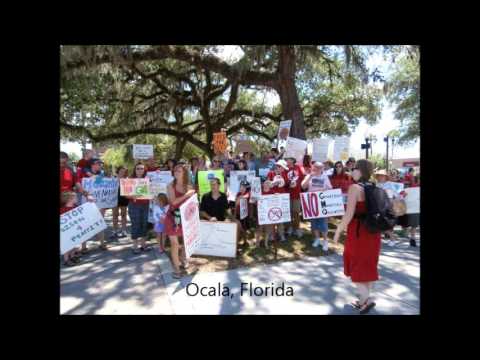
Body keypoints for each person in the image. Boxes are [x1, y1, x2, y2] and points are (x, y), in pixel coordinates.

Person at [333, 159, 380, 314]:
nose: (351, 171)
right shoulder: (374, 187)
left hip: (358, 232)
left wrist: (338, 230)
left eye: (354, 168)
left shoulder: (354, 188)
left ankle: (367, 300)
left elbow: (348, 214)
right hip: (373, 232)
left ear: (360, 171)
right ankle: (362, 301)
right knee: (366, 265)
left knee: (355, 263)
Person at [165, 164, 197, 279]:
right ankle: (177, 269)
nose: (176, 172)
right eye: (175, 171)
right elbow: (173, 202)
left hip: (185, 217)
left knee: (186, 241)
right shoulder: (170, 185)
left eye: (179, 171)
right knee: (174, 244)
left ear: (184, 173)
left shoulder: (188, 185)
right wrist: (186, 195)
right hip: (172, 217)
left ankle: (183, 258)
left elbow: (192, 202)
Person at [301, 162, 332, 252]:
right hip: (311, 202)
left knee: (323, 222)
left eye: (319, 168)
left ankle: (325, 241)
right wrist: (310, 176)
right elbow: (303, 186)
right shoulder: (309, 176)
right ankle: (317, 239)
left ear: (322, 169)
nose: (317, 169)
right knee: (313, 222)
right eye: (316, 167)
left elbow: (330, 188)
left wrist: (322, 190)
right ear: (313, 167)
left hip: (322, 202)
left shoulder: (325, 177)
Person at [78, 158, 108, 252]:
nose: (100, 165)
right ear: (92, 165)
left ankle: (102, 243)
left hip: (99, 203)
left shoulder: (101, 173)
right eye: (98, 164)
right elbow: (78, 184)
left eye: (100, 164)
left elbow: (103, 186)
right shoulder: (82, 172)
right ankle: (83, 247)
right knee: (85, 224)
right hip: (86, 202)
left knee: (100, 222)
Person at [126, 163, 153, 254]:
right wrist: (131, 196)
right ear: (135, 169)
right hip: (134, 205)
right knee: (135, 224)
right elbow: (126, 194)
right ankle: (135, 246)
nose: (140, 170)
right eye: (138, 168)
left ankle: (143, 245)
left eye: (142, 168)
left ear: (144, 170)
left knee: (144, 224)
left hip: (146, 205)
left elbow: (152, 190)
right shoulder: (129, 180)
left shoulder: (148, 179)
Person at [265, 159, 290, 242]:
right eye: (282, 168)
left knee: (280, 216)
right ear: (278, 167)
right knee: (271, 215)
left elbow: (286, 184)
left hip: (281, 198)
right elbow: (267, 185)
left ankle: (281, 234)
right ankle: (271, 235)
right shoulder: (270, 173)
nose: (283, 169)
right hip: (271, 197)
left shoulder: (284, 174)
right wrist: (273, 184)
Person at [374, 169, 397, 247]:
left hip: (387, 205)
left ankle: (392, 239)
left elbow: (395, 194)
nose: (380, 177)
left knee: (386, 223)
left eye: (382, 175)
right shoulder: (377, 184)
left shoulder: (389, 184)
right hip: (379, 205)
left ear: (385, 177)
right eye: (379, 175)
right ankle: (385, 239)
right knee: (380, 223)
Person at [60, 191, 82, 267]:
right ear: (70, 199)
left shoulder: (76, 207)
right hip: (66, 231)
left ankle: (72, 256)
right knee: (67, 245)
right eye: (75, 197)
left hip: (74, 229)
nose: (77, 198)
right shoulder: (62, 209)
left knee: (74, 243)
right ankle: (66, 259)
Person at [285, 156, 305, 238]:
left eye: (289, 159)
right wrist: (289, 184)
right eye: (287, 159)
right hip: (287, 194)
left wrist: (298, 184)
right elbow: (284, 181)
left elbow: (303, 177)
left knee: (296, 212)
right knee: (288, 212)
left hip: (297, 194)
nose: (287, 160)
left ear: (293, 160)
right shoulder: (285, 169)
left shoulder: (299, 167)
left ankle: (296, 228)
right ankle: (289, 228)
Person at [398, 173, 420, 247]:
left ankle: (408, 234)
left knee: (407, 224)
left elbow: (400, 198)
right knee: (414, 225)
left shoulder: (405, 189)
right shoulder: (418, 188)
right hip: (415, 210)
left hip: (407, 210)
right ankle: (412, 237)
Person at [255, 181, 275, 248]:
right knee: (259, 229)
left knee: (268, 229)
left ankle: (266, 243)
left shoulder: (272, 192)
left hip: (269, 214)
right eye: (265, 183)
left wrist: (277, 196)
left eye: (268, 184)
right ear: (263, 184)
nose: (266, 185)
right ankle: (257, 243)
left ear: (270, 185)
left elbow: (275, 201)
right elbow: (254, 201)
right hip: (261, 213)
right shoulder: (259, 192)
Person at [111, 166, 129, 239]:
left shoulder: (127, 179)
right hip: (114, 198)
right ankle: (115, 231)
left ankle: (124, 231)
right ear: (118, 171)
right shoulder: (113, 179)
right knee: (115, 215)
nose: (122, 172)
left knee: (124, 215)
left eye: (124, 171)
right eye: (121, 170)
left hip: (124, 198)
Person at [235, 180, 251, 248]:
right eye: (241, 186)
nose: (242, 188)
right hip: (238, 213)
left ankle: (245, 241)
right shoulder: (238, 193)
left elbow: (247, 196)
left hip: (245, 214)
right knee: (239, 228)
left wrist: (242, 197)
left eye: (244, 187)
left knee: (244, 228)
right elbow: (236, 203)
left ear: (247, 188)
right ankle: (238, 241)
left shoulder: (248, 193)